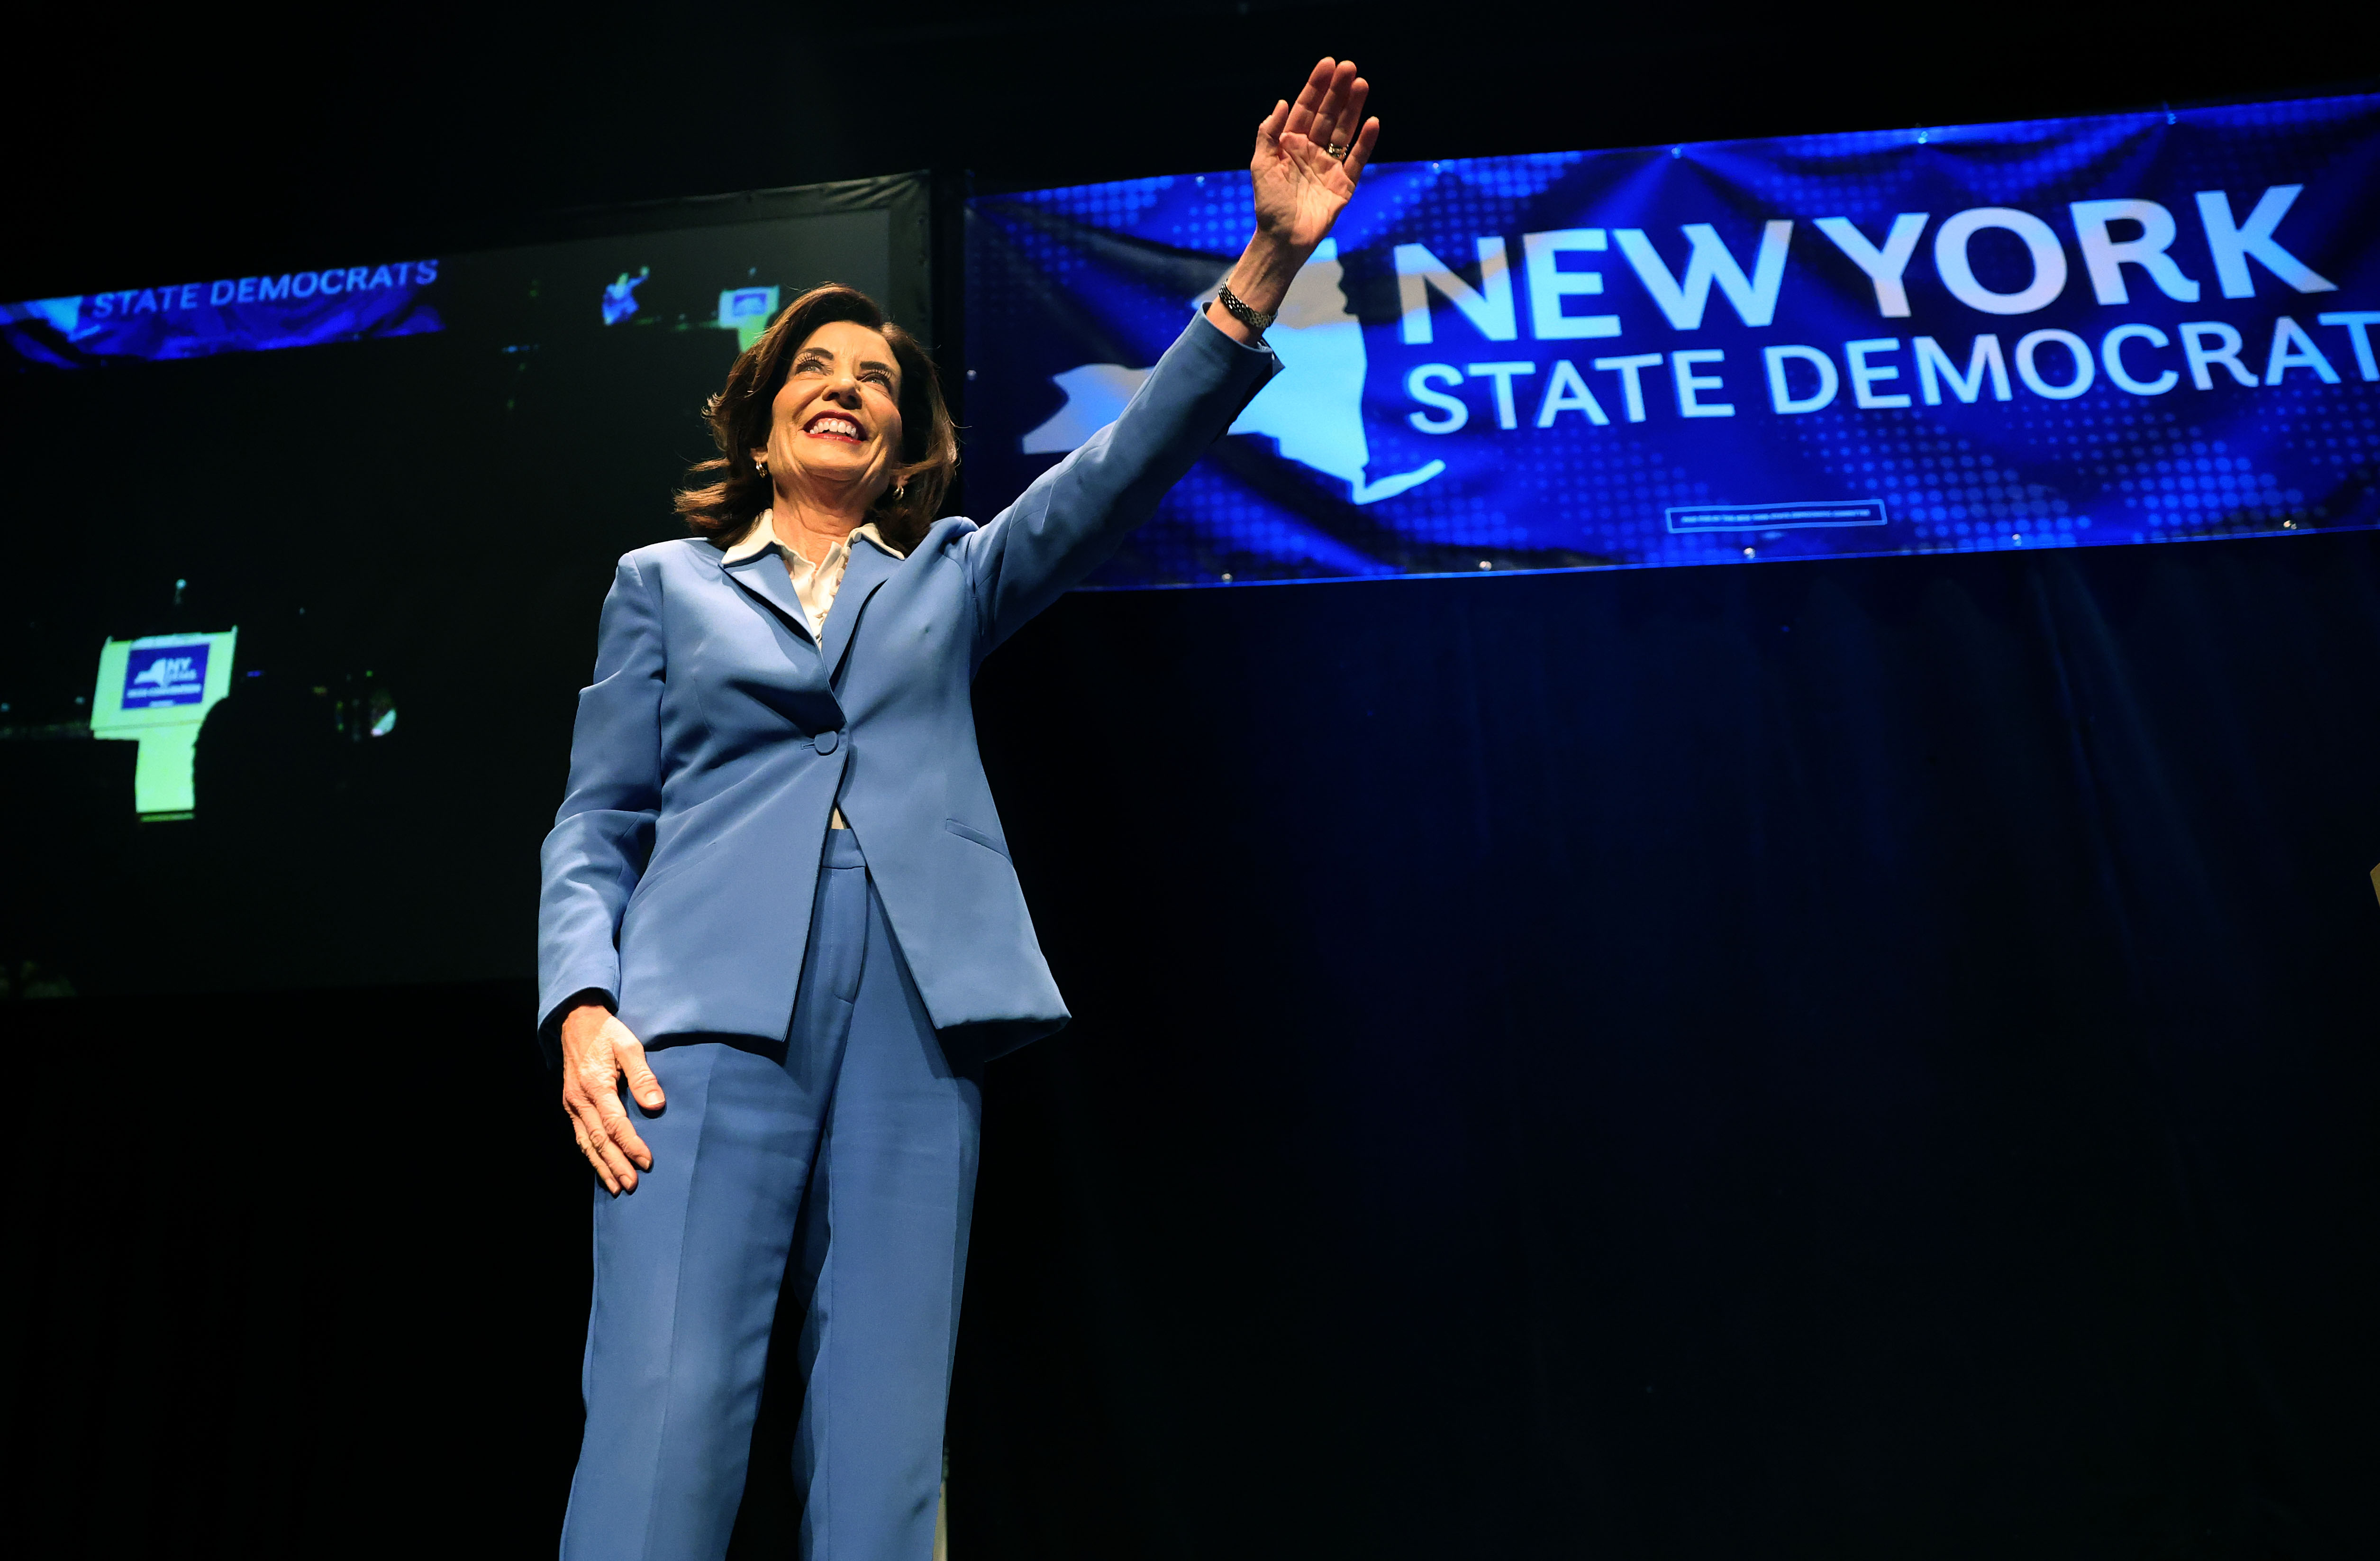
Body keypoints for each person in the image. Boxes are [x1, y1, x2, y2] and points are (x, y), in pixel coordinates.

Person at [536, 57, 1381, 1561]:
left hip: (917, 1012)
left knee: (884, 1451)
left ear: (906, 439)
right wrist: (583, 1005)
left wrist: (1268, 262)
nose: (845, 382)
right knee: (662, 1423)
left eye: (875, 375)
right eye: (814, 366)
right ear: (759, 412)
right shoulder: (659, 590)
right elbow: (596, 825)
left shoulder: (947, 574)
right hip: (700, 1019)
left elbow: (1115, 475)